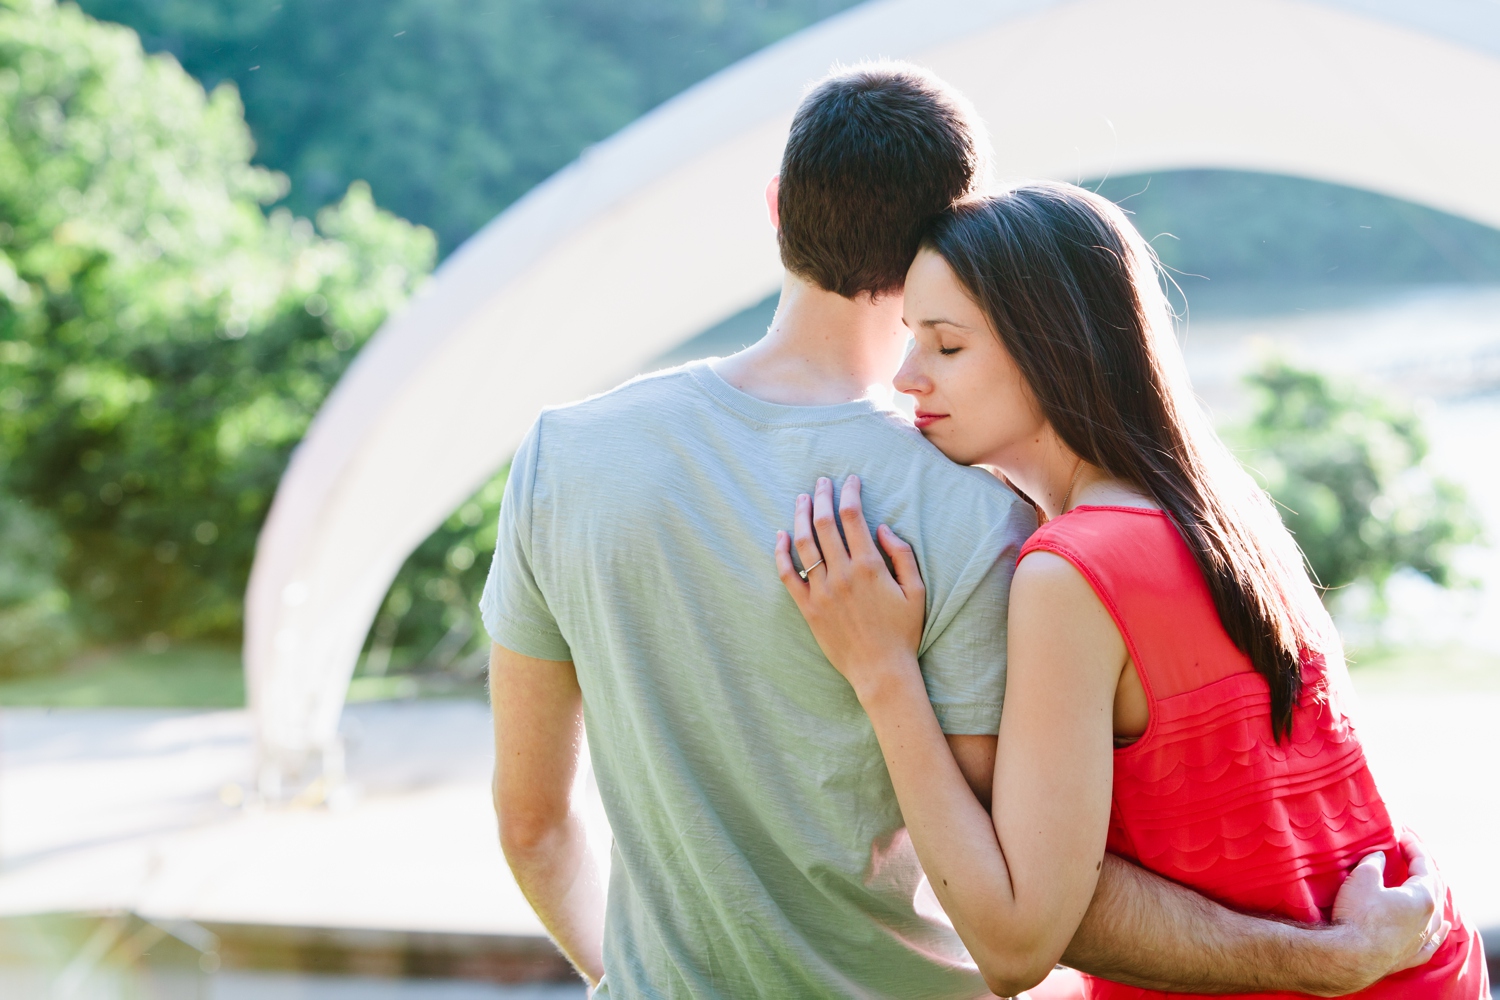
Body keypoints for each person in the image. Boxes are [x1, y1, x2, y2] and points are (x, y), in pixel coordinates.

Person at [484, 64, 1448, 998]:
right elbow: (1042, 900)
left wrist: (630, 982)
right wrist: (1322, 958)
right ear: (956, 234)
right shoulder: (986, 513)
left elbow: (533, 825)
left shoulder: (562, 456)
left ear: (777, 206)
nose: (920, 375)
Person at [774, 181, 1487, 997]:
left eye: (946, 345)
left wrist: (879, 667)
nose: (905, 379)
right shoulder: (1224, 511)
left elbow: (1012, 947)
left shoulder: (1071, 573)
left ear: (1053, 346)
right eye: (908, 340)